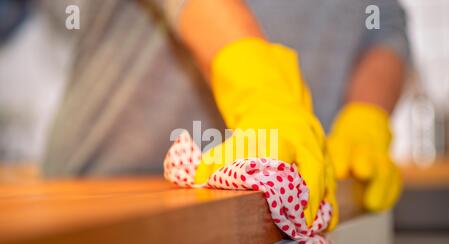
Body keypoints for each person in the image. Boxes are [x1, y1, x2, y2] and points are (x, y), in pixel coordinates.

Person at [42, 0, 409, 227]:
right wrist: (261, 90)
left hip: (289, 210)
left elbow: (383, 24)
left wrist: (366, 120)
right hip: (103, 210)